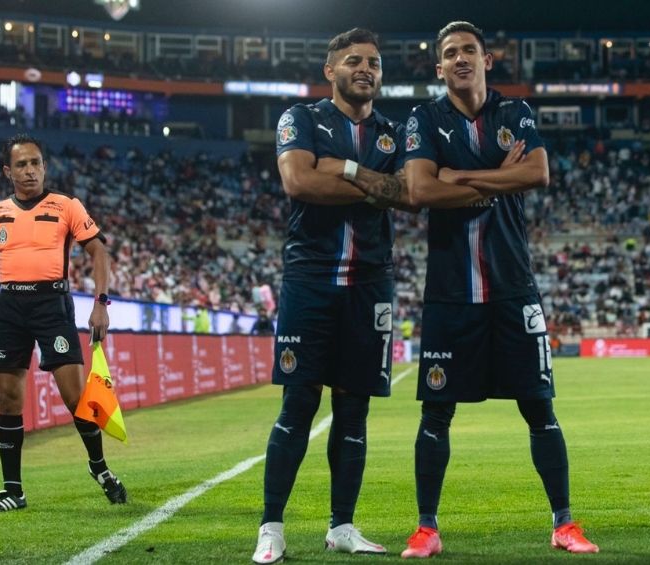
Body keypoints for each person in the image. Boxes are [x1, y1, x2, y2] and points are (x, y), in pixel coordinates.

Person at [400, 21, 598, 557]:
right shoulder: (423, 118)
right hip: (450, 293)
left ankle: (564, 523)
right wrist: (493, 178)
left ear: (487, 60)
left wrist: (457, 178)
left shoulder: (515, 113)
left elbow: (537, 173)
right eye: (450, 53)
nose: (460, 58)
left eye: (469, 50)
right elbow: (418, 190)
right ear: (439, 67)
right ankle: (426, 528)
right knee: (436, 413)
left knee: (540, 409)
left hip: (513, 288)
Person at [252, 28, 413, 565]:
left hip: (371, 284)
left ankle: (342, 525)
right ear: (331, 70)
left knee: (354, 409)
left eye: (374, 62)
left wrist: (341, 169)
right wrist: (371, 183)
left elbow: (407, 193)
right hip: (310, 279)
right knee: (299, 403)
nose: (366, 69)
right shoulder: (300, 118)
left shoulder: (393, 132)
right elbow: (299, 183)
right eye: (354, 60)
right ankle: (271, 527)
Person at [0, 133, 126, 512]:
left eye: (35, 163)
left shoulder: (66, 206)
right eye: (22, 165)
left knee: (75, 398)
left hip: (51, 305)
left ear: (44, 167)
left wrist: (101, 304)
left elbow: (99, 252)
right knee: (9, 398)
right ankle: (13, 490)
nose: (30, 171)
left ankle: (99, 467)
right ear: (8, 171)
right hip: (10, 306)